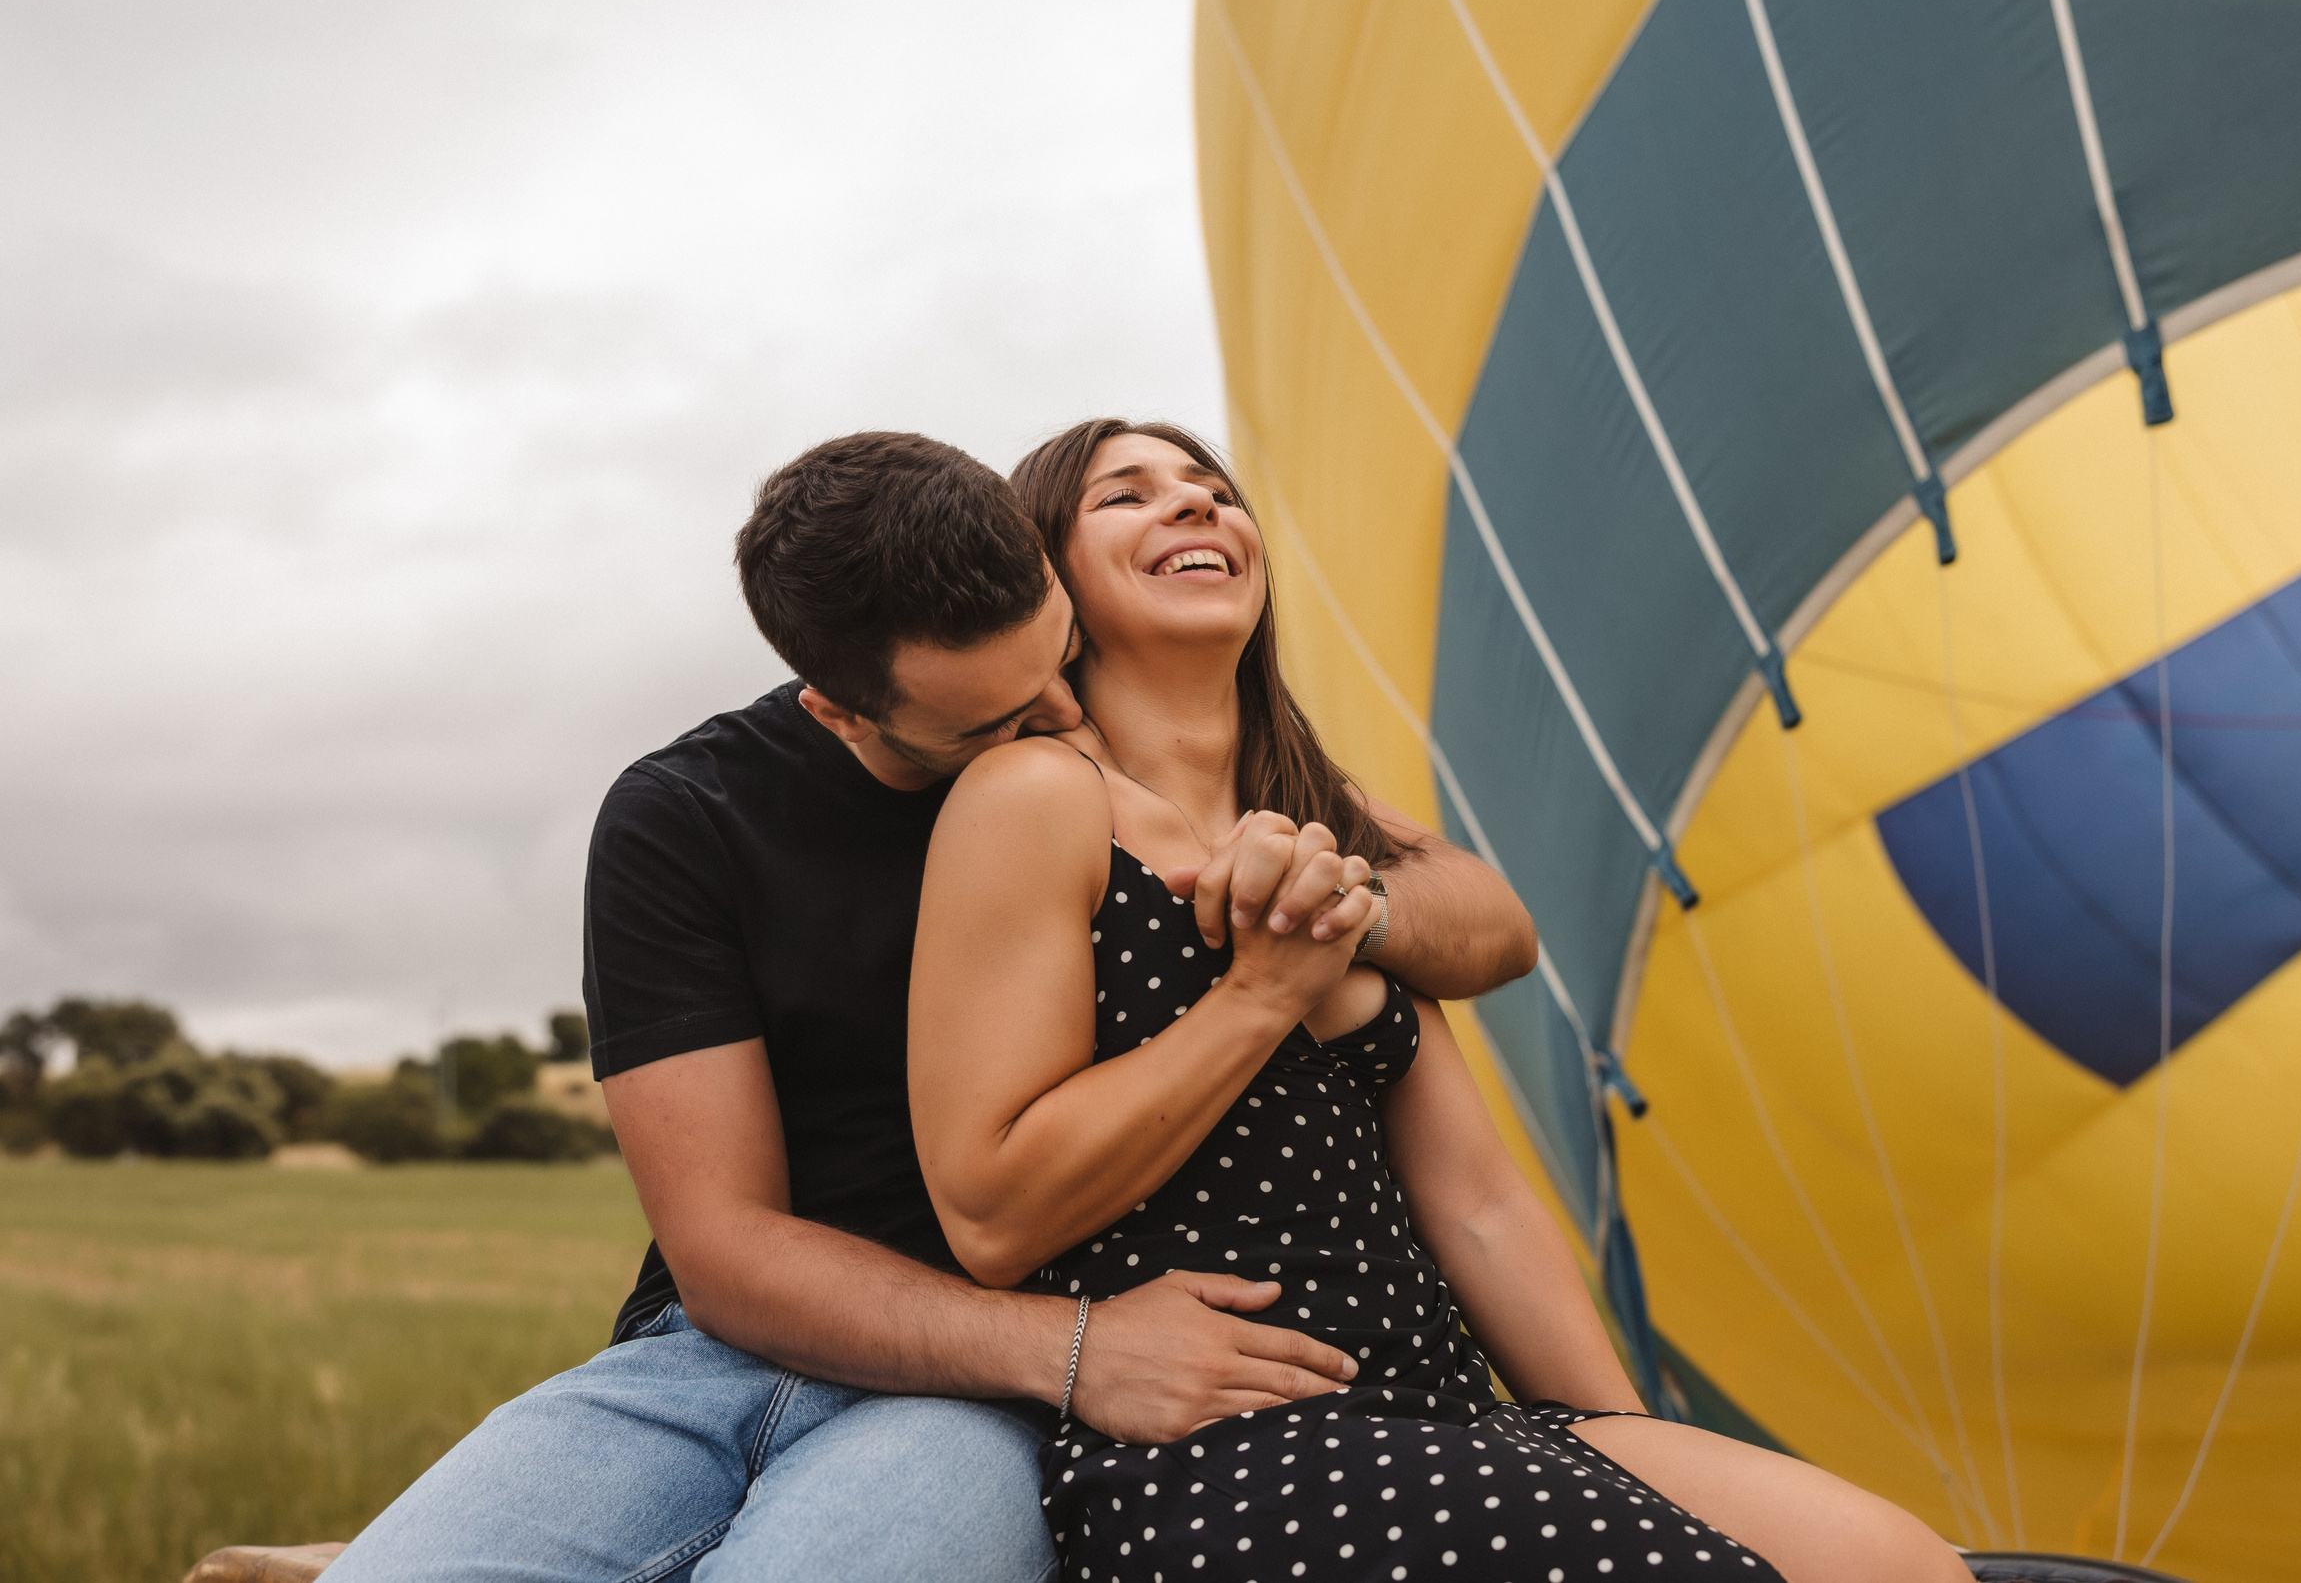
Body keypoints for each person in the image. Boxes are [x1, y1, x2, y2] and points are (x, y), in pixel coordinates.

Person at [323, 431, 1541, 1583]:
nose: (1061, 720)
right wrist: (1075, 1350)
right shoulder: (686, 816)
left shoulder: (1147, 759)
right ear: (840, 710)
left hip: (983, 1411)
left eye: (1060, 658)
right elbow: (727, 1249)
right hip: (766, 1361)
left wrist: (1341, 915)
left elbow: (1484, 915)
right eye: (995, 726)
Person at [908, 419, 1974, 1583]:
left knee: (1897, 1560)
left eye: (1212, 487)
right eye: (1127, 494)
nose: (1193, 505)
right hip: (1226, 1433)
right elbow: (994, 1210)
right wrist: (1264, 994)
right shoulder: (1034, 797)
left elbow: (1477, 1199)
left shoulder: (1325, 824)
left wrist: (1623, 1436)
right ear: (1050, 587)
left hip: (1446, 1402)